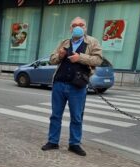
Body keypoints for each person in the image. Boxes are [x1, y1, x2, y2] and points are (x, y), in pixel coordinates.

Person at [41, 17, 102, 156]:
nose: (77, 27)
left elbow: (98, 60)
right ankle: (53, 141)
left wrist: (80, 58)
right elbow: (52, 59)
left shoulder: (92, 42)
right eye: (74, 25)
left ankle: (74, 144)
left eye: (81, 25)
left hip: (78, 85)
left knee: (76, 116)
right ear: (70, 28)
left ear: (85, 27)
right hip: (59, 83)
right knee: (55, 115)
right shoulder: (65, 42)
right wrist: (60, 55)